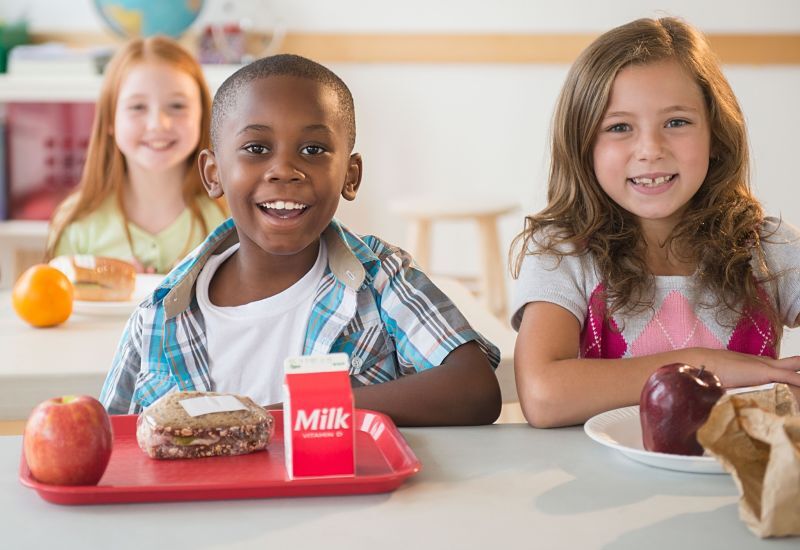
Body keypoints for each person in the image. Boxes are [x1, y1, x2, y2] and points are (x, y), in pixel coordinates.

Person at [100, 54, 502, 426]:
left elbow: (474, 389)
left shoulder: (380, 280)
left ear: (351, 175)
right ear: (213, 173)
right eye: (256, 148)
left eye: (313, 149)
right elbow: (112, 445)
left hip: (351, 505)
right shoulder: (160, 316)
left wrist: (281, 416)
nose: (284, 170)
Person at [510, 17, 800, 428]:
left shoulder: (768, 248)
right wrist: (703, 367)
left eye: (676, 122)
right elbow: (543, 396)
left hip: (737, 485)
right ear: (582, 144)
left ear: (716, 135)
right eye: (619, 127)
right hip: (605, 486)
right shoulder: (564, 252)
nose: (650, 149)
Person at [46, 36, 227, 274]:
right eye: (137, 107)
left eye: (177, 106)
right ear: (110, 119)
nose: (157, 124)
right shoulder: (76, 222)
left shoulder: (230, 217)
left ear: (203, 116)